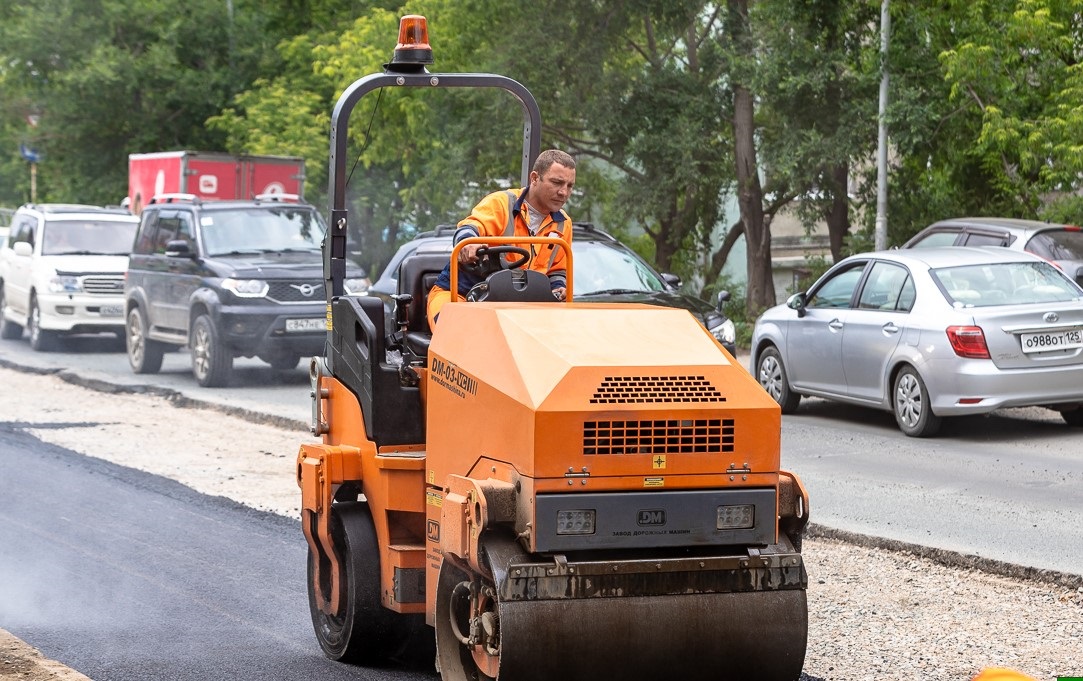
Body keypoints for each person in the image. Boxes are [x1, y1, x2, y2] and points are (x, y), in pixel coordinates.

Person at [426, 149, 576, 327]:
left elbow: (557, 270)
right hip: (462, 294)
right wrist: (468, 246)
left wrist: (558, 288)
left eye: (569, 186)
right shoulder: (501, 203)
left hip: (519, 307)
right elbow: (469, 229)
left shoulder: (563, 224)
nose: (564, 192)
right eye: (557, 183)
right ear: (535, 178)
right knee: (454, 332)